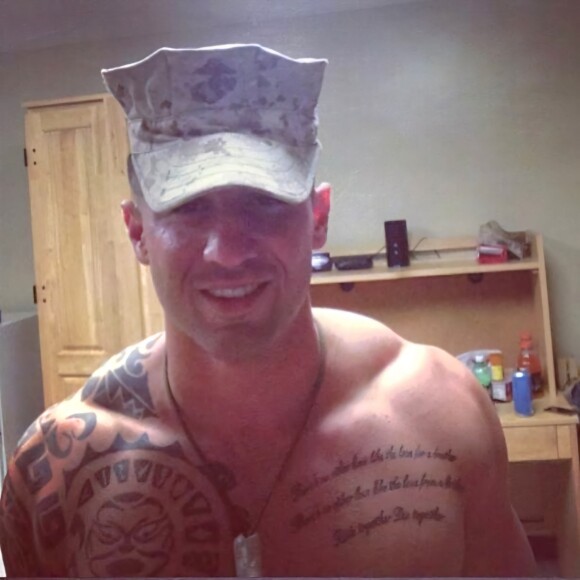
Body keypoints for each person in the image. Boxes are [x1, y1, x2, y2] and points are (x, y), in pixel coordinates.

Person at [0, 44, 537, 578]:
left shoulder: (439, 412)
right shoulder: (57, 472)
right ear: (138, 231)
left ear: (318, 218)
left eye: (265, 202)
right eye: (188, 207)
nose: (228, 252)